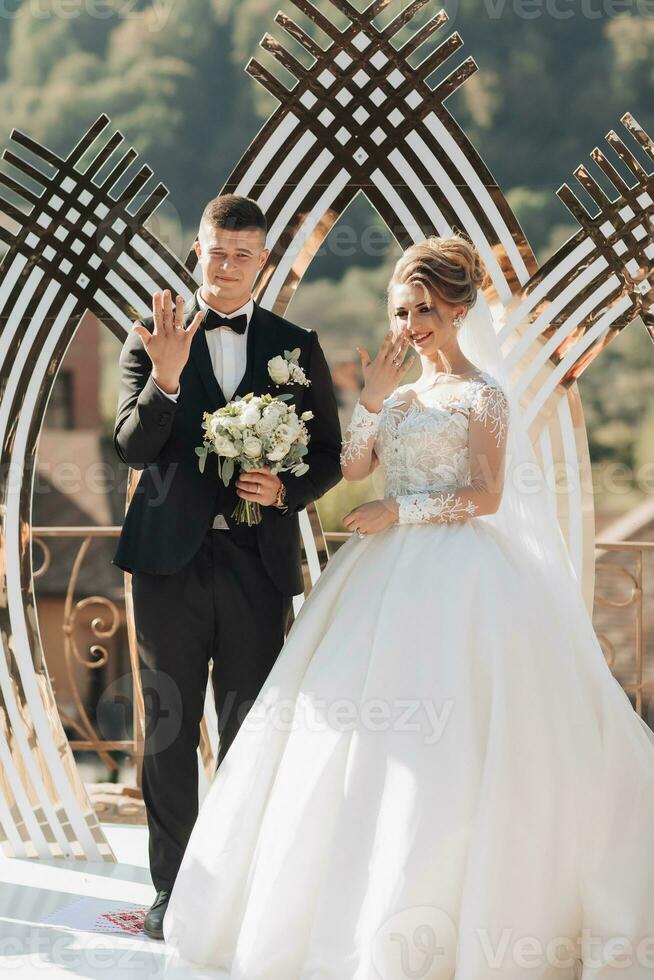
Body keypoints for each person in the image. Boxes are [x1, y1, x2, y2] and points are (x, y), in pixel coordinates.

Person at [163, 234, 654, 978]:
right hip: (378, 575)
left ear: (459, 309)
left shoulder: (482, 395)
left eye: (426, 308)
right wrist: (370, 402)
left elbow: (487, 495)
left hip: (460, 574)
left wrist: (404, 513)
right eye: (402, 309)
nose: (413, 322)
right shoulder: (404, 390)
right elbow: (356, 468)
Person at [111, 194, 342, 939]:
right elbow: (130, 446)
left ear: (264, 262)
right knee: (170, 733)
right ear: (198, 253)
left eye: (244, 254)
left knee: (249, 730)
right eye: (217, 252)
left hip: (256, 564)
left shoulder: (294, 343)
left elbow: (330, 455)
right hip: (168, 567)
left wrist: (285, 489)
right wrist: (166, 382)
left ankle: (243, 892)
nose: (229, 265)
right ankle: (172, 894)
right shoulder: (150, 338)